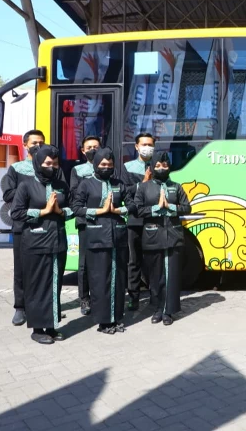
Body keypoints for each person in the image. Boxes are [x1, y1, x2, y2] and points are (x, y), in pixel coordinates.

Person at [10, 145, 73, 344]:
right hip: (35, 243)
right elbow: (16, 213)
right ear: (38, 163)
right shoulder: (26, 185)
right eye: (48, 163)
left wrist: (61, 212)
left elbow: (73, 208)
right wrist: (43, 212)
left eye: (55, 164)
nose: (52, 167)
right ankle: (38, 329)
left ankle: (52, 326)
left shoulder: (61, 185)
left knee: (55, 285)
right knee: (38, 286)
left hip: (57, 242)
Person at [2, 129, 63, 327]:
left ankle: (46, 307)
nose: (38, 145)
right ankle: (20, 306)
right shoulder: (17, 168)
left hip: (48, 226)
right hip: (24, 225)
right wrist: (30, 193)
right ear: (25, 145)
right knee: (21, 268)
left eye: (41, 142)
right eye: (34, 142)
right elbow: (8, 194)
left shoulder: (53, 166)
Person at [72, 148, 133, 334]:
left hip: (118, 238)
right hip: (97, 238)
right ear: (96, 164)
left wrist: (117, 211)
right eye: (103, 164)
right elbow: (77, 207)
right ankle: (103, 321)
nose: (106, 168)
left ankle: (116, 318)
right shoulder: (86, 184)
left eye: (110, 165)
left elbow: (132, 204)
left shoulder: (119, 183)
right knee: (100, 280)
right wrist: (99, 211)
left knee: (118, 278)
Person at [134, 151, 191, 325]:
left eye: (164, 165)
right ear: (152, 167)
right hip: (152, 237)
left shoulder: (177, 186)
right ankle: (157, 309)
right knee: (155, 276)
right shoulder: (144, 187)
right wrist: (157, 208)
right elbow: (137, 209)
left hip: (173, 236)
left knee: (171, 275)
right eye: (158, 165)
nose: (161, 168)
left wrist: (170, 207)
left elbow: (187, 208)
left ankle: (169, 311)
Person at [121, 133, 155, 311]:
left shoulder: (159, 165)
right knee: (134, 261)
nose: (147, 147)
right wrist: (143, 183)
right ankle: (133, 296)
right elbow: (125, 192)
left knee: (152, 260)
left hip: (153, 219)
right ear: (136, 147)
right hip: (134, 220)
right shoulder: (128, 167)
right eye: (143, 144)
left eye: (150, 144)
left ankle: (154, 295)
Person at [70, 135, 102, 317]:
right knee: (84, 263)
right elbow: (75, 194)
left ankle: (99, 297)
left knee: (101, 262)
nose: (92, 150)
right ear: (83, 151)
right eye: (89, 147)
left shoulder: (107, 166)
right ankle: (84, 298)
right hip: (85, 221)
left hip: (105, 220)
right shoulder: (77, 170)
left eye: (95, 146)